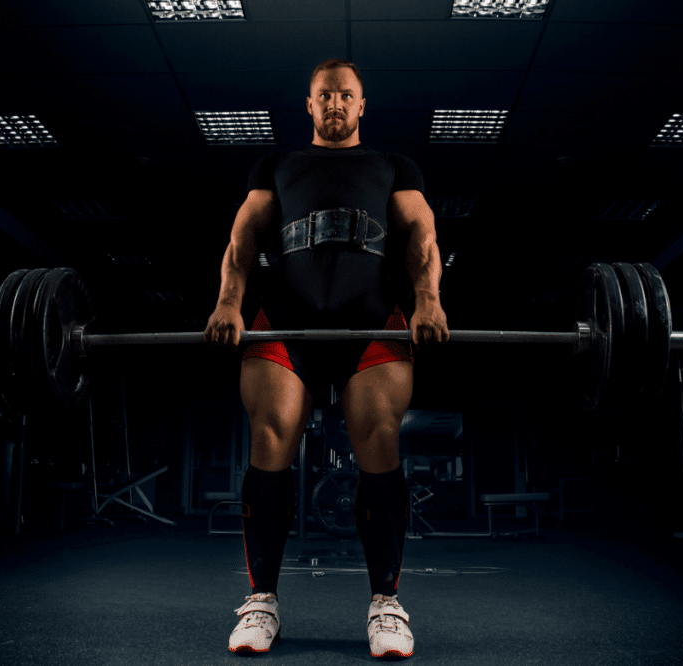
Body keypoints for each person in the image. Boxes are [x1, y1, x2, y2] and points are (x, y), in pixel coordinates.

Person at [204, 58, 449, 659]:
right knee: (270, 439)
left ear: (362, 106)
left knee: (379, 444)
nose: (336, 104)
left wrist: (428, 301)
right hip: (286, 322)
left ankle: (386, 606)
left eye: (347, 95)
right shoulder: (277, 165)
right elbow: (242, 240)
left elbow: (421, 237)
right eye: (325, 96)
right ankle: (260, 601)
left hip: (370, 320)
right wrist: (228, 304)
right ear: (309, 106)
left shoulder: (393, 165)